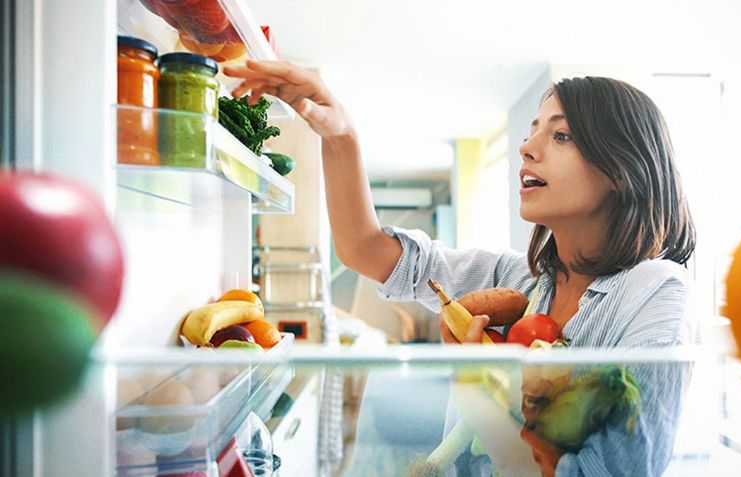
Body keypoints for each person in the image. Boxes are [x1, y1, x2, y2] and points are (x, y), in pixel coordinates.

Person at [225, 59, 698, 477]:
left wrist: (479, 394)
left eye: (560, 134)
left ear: (621, 169)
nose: (527, 147)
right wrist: (340, 131)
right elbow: (366, 249)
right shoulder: (518, 282)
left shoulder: (657, 293)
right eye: (533, 129)